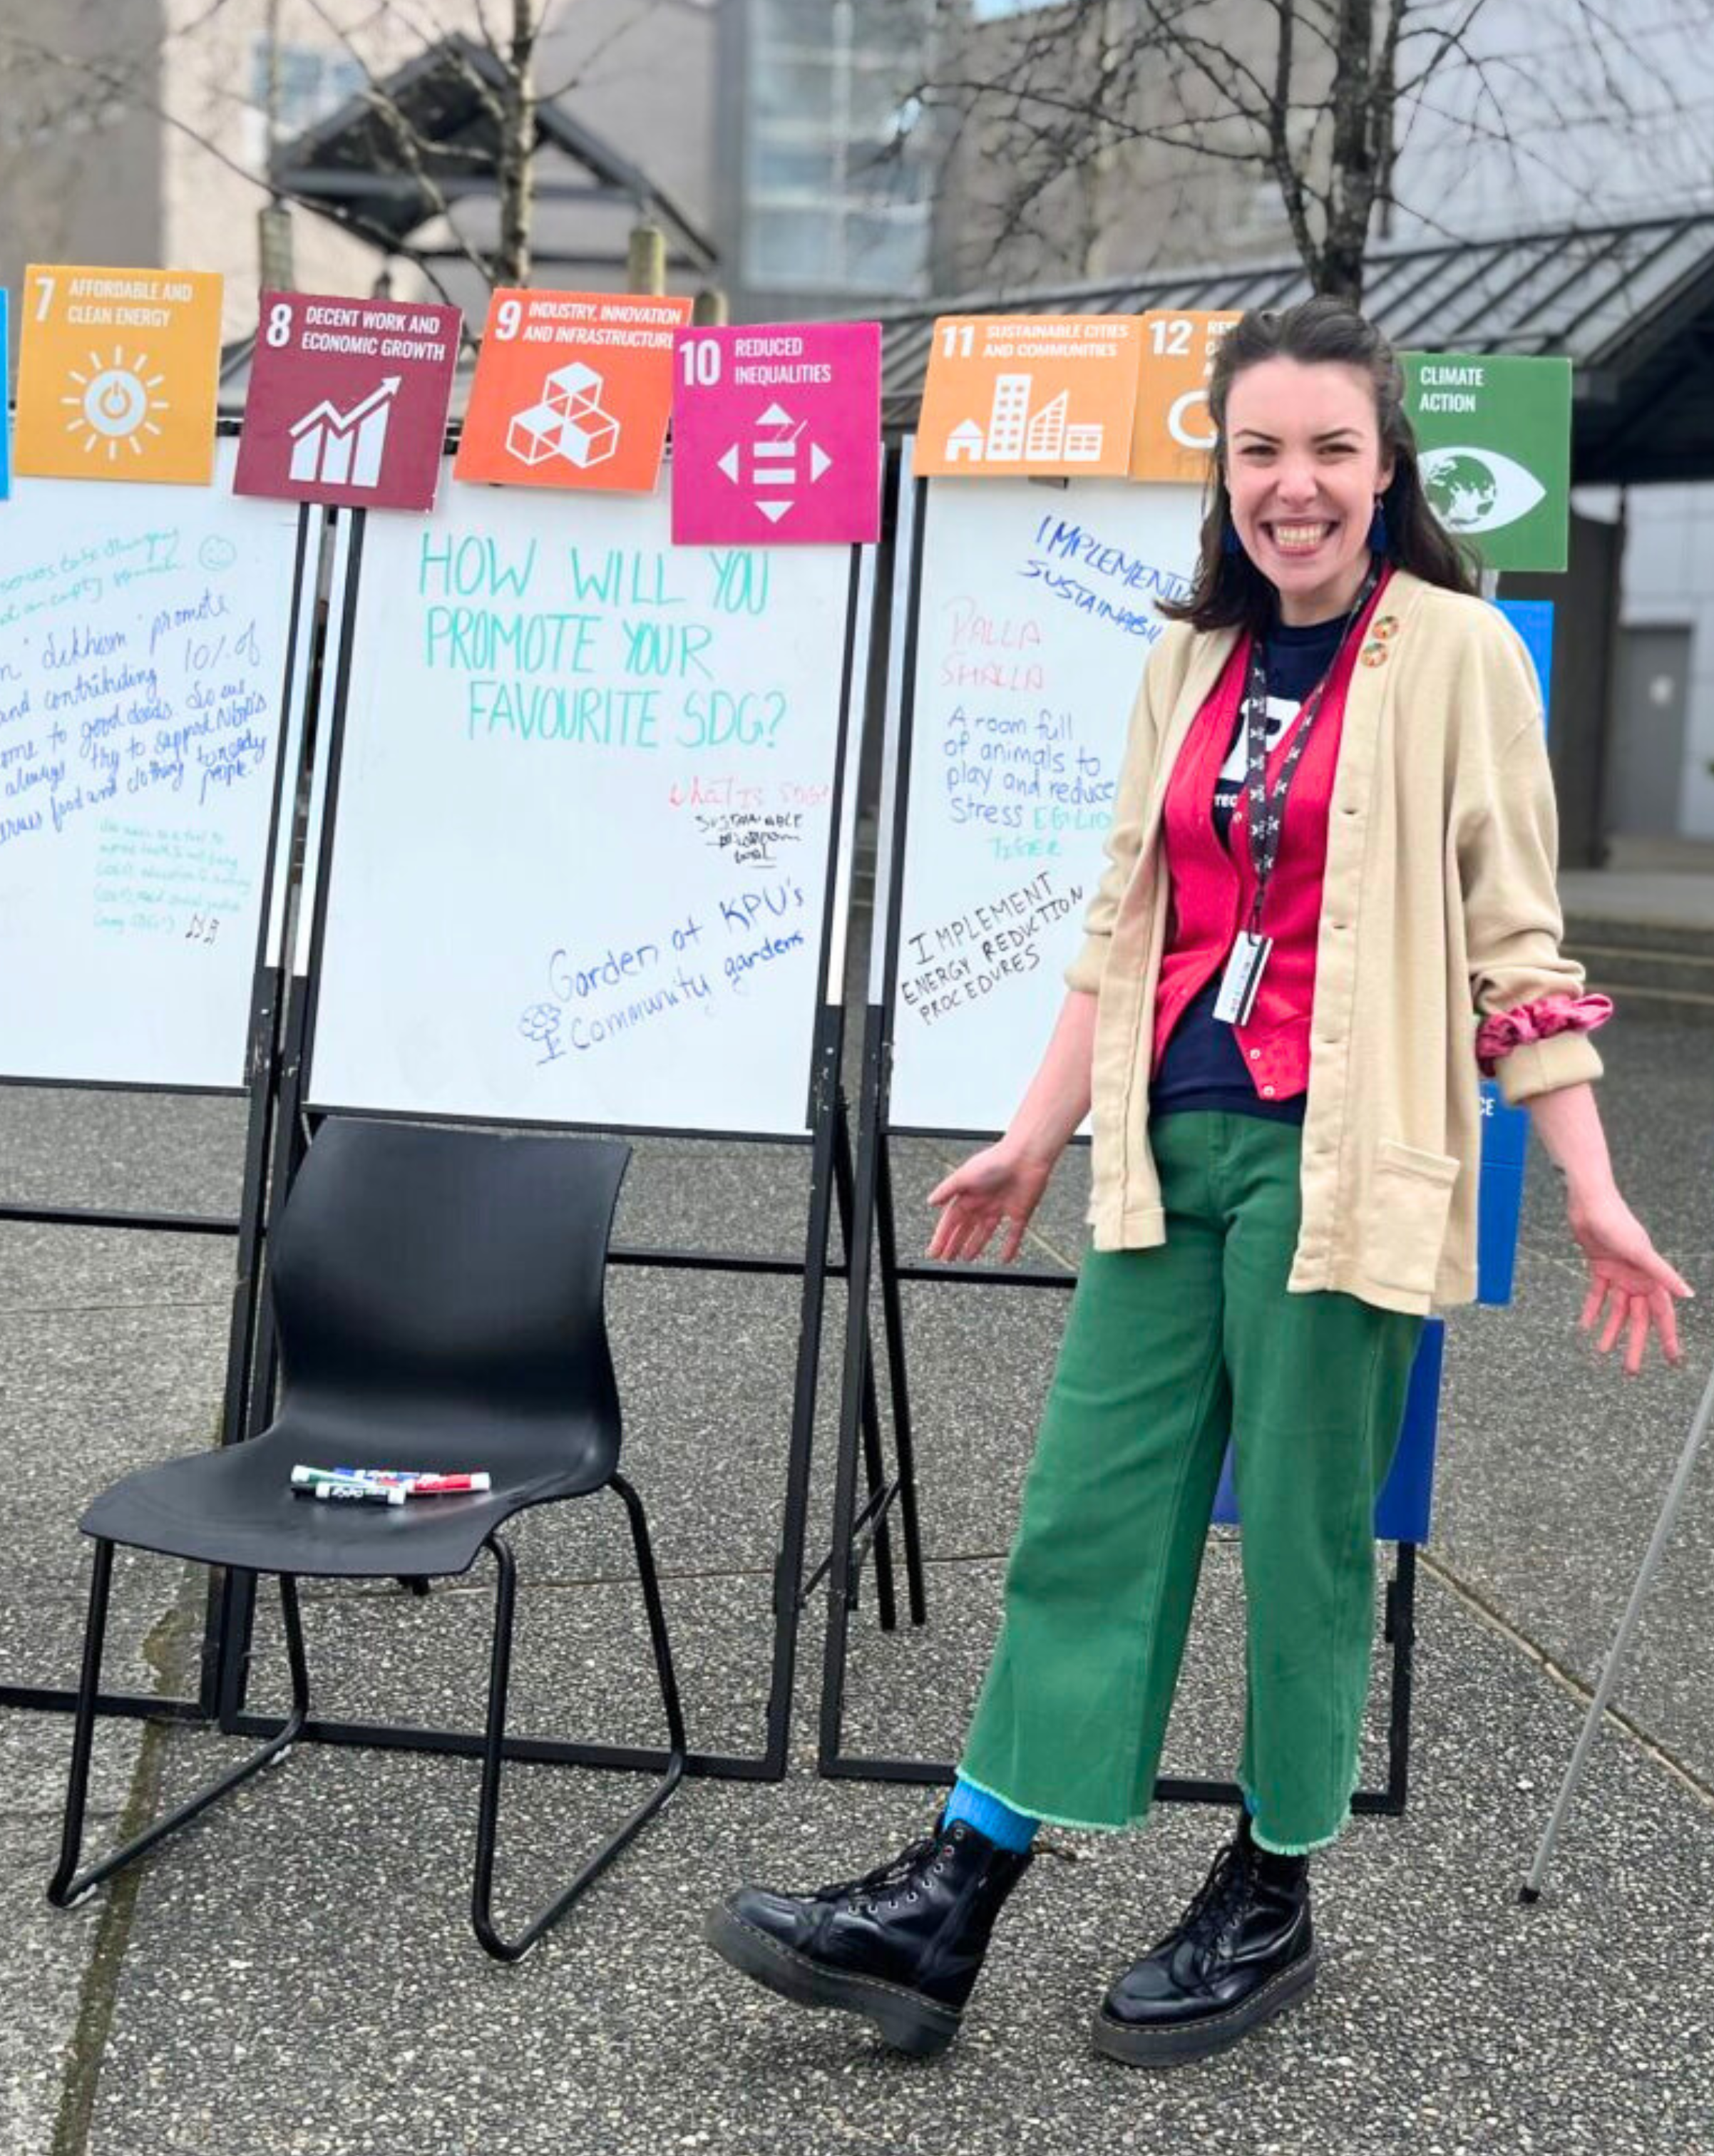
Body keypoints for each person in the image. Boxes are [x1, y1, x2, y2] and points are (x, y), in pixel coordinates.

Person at [706, 297, 1693, 2070]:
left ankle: (1272, 1884)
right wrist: (1030, 1128)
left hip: (1351, 1170)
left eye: (1330, 450)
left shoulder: (1462, 653)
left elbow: (1516, 947)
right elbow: (1120, 921)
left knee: (1308, 1541)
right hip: (1166, 1156)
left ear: (1387, 468)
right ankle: (958, 1892)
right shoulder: (1190, 657)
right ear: (1222, 469)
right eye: (1259, 451)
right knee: (1092, 1509)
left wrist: (1591, 1189)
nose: (1292, 486)